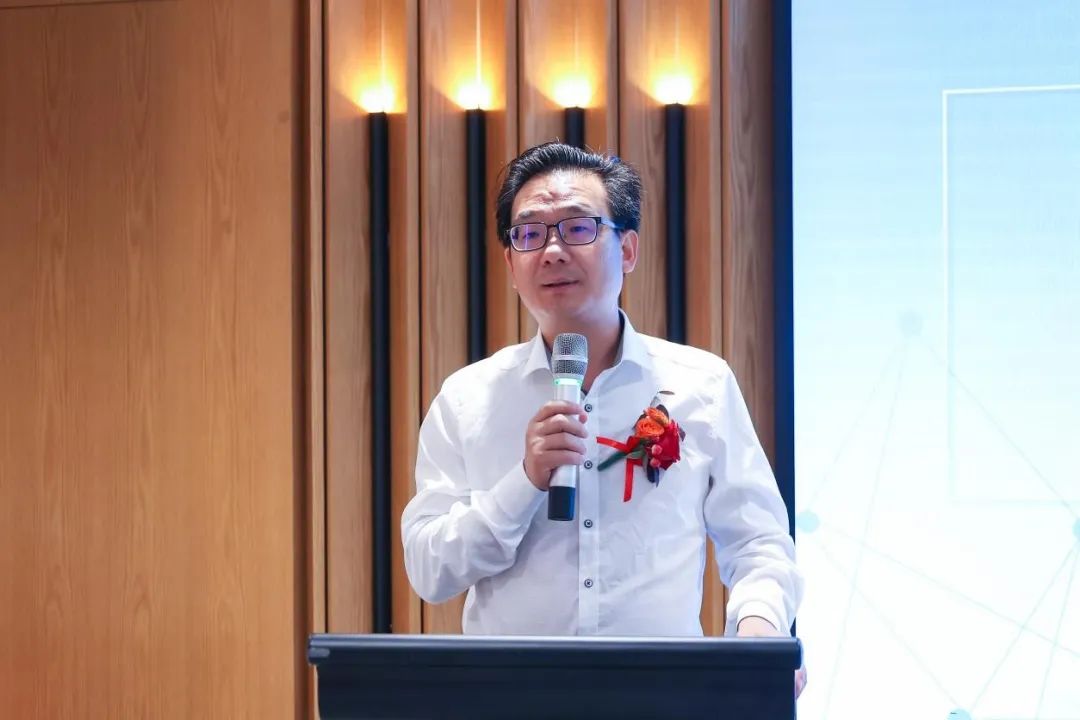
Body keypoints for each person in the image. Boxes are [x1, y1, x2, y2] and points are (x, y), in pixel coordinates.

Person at [401, 142, 805, 693]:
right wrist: (524, 481)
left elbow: (758, 543)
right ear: (510, 263)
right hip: (510, 699)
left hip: (664, 698)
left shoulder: (701, 385)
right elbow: (430, 570)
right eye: (529, 233)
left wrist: (759, 632)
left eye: (577, 227)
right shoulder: (467, 398)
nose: (552, 250)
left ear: (628, 249)